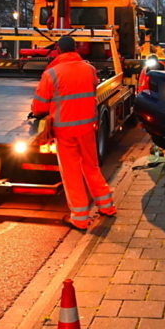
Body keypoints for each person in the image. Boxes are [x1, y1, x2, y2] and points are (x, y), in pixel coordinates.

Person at [30, 36, 116, 230]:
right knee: (91, 167)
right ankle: (106, 206)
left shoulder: (52, 73)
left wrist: (40, 112)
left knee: (71, 173)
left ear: (58, 50)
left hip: (65, 130)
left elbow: (39, 106)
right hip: (87, 127)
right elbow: (91, 88)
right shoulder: (89, 69)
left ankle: (79, 218)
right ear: (76, 49)